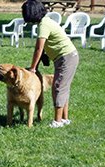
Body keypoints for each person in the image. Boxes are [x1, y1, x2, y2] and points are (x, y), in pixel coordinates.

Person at [22, 0, 79, 128]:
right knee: (63, 87)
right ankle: (64, 119)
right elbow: (43, 50)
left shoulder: (44, 25)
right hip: (66, 57)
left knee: (58, 87)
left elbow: (39, 48)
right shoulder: (45, 22)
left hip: (67, 57)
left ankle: (57, 122)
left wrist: (32, 68)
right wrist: (37, 65)